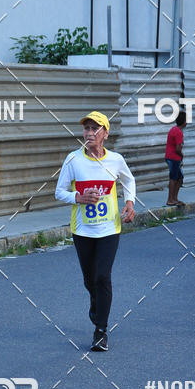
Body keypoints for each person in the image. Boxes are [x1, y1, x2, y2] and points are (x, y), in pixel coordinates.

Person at [55, 111, 135, 351]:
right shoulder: (73, 160)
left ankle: (101, 331)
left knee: (102, 277)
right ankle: (95, 303)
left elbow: (128, 180)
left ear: (105, 134)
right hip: (83, 230)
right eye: (86, 129)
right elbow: (58, 192)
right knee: (90, 280)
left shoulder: (115, 160)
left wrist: (130, 203)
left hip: (109, 228)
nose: (89, 133)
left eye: (95, 129)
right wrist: (78, 197)